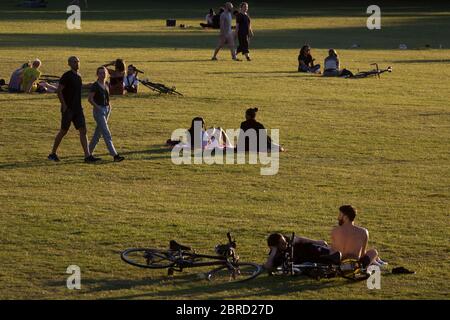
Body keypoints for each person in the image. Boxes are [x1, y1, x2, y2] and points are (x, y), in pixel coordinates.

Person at [48, 56, 99, 163]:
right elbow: (59, 91)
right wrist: (64, 105)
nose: (77, 63)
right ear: (69, 64)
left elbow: (78, 87)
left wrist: (89, 85)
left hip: (78, 109)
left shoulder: (78, 76)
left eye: (78, 61)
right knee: (63, 131)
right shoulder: (66, 76)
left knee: (83, 130)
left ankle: (87, 156)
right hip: (68, 109)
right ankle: (52, 153)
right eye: (74, 62)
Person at [88, 67, 124, 162]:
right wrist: (97, 107)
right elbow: (90, 99)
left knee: (98, 135)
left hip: (106, 110)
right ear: (97, 74)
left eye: (104, 73)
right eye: (100, 73)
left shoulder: (106, 84)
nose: (102, 75)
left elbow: (108, 97)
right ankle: (115, 155)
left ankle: (88, 153)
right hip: (99, 111)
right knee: (106, 133)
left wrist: (109, 107)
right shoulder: (95, 85)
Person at [263, 233, 331, 271]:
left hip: (313, 249)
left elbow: (300, 239)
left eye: (285, 241)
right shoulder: (276, 254)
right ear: (276, 246)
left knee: (330, 252)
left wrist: (316, 242)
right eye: (283, 243)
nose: (286, 243)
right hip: (310, 261)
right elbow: (267, 266)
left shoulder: (289, 240)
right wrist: (273, 251)